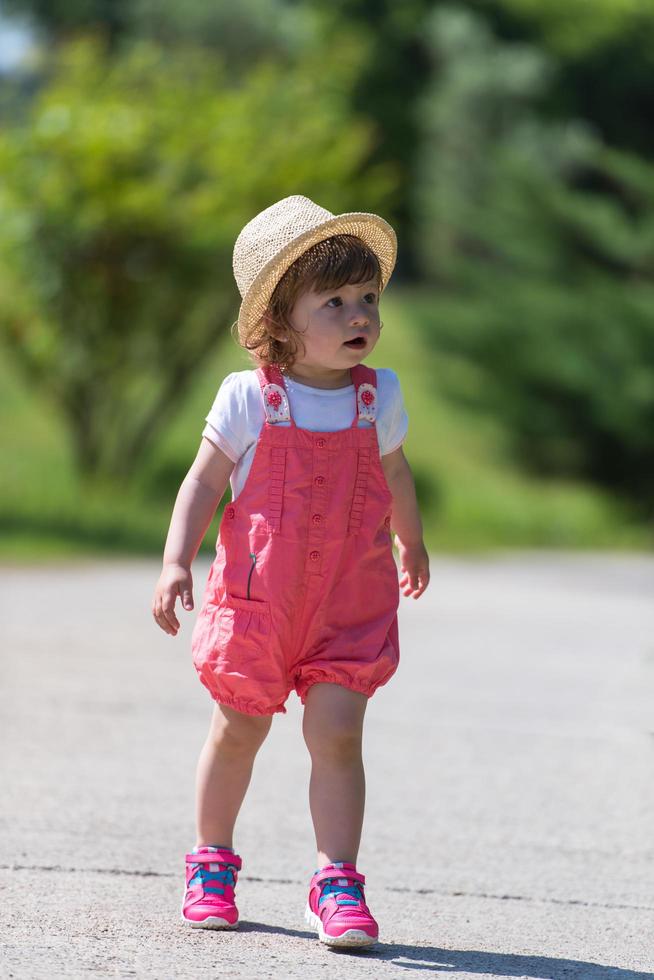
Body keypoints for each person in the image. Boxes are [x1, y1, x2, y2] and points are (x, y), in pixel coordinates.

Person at [152, 194, 430, 948]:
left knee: (338, 734)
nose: (358, 315)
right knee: (238, 730)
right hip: (258, 605)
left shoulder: (382, 399)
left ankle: (335, 880)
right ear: (280, 319)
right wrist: (178, 560)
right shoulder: (250, 398)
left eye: (367, 298)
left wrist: (412, 542)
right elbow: (203, 482)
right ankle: (210, 862)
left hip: (349, 603)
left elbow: (396, 476)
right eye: (334, 301)